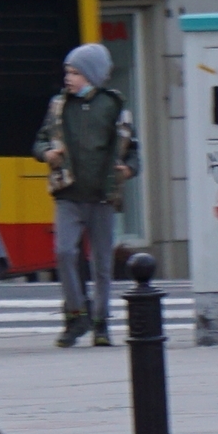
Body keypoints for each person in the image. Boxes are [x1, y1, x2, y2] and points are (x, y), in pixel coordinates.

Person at [34, 41, 137, 347]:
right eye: (67, 71)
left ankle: (101, 322)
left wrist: (129, 169)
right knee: (64, 252)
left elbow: (132, 150)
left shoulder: (113, 106)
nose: (69, 77)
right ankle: (76, 313)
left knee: (102, 264)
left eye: (75, 72)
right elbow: (39, 141)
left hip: (102, 197)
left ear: (91, 76)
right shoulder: (59, 106)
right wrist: (47, 153)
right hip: (68, 194)